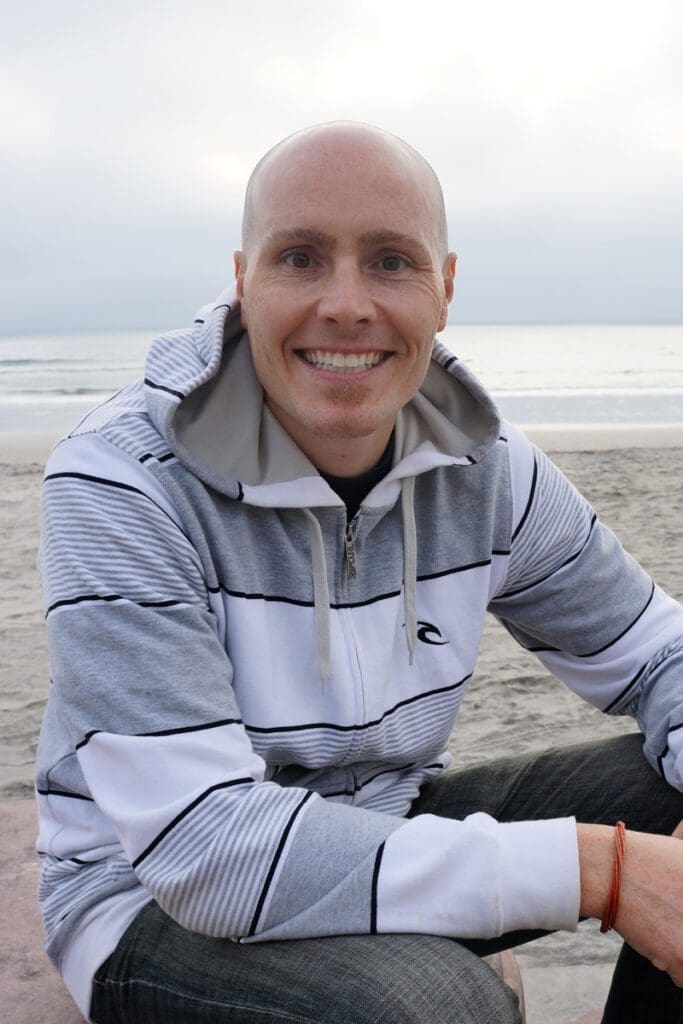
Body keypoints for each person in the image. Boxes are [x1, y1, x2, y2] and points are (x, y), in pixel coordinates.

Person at [36, 121, 683, 1024]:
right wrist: (605, 872)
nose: (345, 303)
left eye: (389, 261)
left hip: (388, 821)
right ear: (241, 280)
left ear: (444, 288)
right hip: (152, 899)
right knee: (440, 1007)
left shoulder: (485, 467)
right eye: (300, 258)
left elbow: (657, 655)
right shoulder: (121, 482)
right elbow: (203, 851)